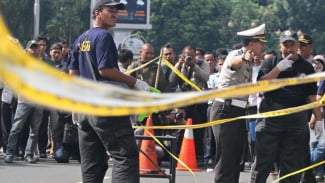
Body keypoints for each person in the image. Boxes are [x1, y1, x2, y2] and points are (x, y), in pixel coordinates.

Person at [67, 1, 150, 182]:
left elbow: (73, 73)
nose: (115, 14)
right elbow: (106, 70)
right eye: (110, 11)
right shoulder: (103, 36)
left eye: (116, 11)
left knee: (92, 162)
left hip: (84, 109)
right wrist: (135, 82)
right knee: (125, 156)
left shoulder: (81, 39)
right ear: (98, 13)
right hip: (104, 106)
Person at [250, 30, 322, 183]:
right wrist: (278, 69)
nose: (289, 48)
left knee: (292, 163)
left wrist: (319, 118)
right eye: (285, 44)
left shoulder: (307, 67)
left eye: (292, 44)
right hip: (271, 116)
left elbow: (311, 95)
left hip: (296, 118)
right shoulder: (271, 62)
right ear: (280, 45)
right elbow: (260, 86)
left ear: (297, 45)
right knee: (264, 160)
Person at [210, 24, 266, 182]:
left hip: (239, 111)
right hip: (225, 109)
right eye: (261, 43)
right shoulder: (237, 54)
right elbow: (233, 63)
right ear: (252, 44)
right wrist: (243, 58)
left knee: (236, 156)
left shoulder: (249, 59)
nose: (263, 46)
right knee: (226, 155)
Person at [4, 40, 43, 164]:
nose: (34, 50)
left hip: (38, 100)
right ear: (27, 50)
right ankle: (10, 153)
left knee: (34, 130)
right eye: (32, 48)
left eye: (36, 48)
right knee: (16, 128)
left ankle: (29, 154)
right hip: (24, 100)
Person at [170, 45, 210, 162]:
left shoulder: (202, 64)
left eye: (192, 56)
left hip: (197, 101)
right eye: (187, 55)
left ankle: (197, 157)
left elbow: (206, 77)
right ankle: (177, 155)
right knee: (180, 129)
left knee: (197, 131)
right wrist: (178, 64)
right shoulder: (181, 64)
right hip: (182, 101)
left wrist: (194, 65)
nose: (189, 58)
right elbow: (172, 80)